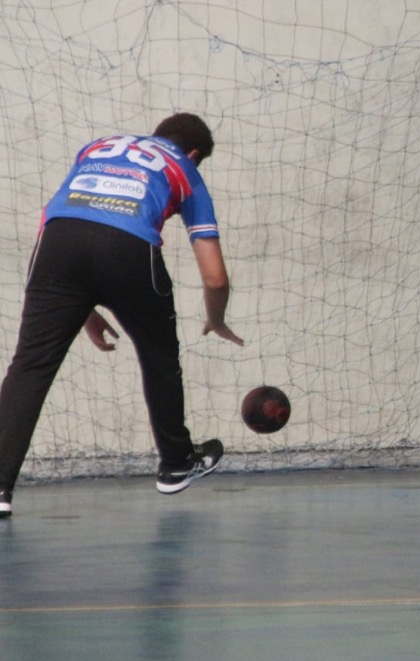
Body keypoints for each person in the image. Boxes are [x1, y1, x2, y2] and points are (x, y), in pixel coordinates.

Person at [0, 113, 244, 518]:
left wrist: (82, 307)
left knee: (30, 366)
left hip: (56, 245)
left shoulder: (97, 148)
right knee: (158, 354)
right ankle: (176, 461)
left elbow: (60, 217)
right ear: (195, 153)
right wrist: (216, 320)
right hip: (128, 248)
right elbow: (216, 279)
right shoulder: (184, 168)